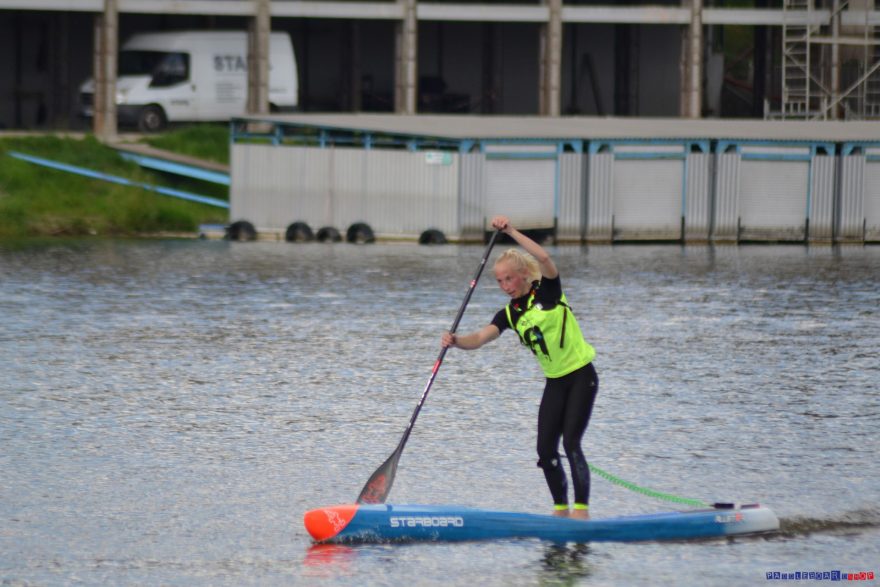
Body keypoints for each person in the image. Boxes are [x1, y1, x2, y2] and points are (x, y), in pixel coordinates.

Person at [441, 216, 599, 519]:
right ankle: (560, 511)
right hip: (555, 382)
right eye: (499, 281)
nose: (504, 286)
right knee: (545, 451)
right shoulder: (509, 314)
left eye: (508, 279)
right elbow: (480, 337)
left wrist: (511, 232)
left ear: (524, 275)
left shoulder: (548, 291)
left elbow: (543, 257)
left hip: (581, 376)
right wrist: (456, 341)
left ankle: (581, 512)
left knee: (571, 442)